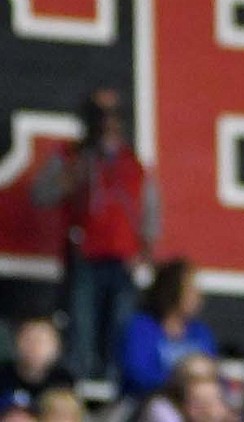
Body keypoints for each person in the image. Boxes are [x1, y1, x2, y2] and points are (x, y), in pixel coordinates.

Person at [32, 88, 160, 380]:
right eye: (100, 116)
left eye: (114, 116)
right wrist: (70, 178)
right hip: (85, 253)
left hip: (124, 257)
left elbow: (150, 208)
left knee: (120, 324)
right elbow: (40, 194)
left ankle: (114, 382)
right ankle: (81, 380)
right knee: (82, 322)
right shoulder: (71, 156)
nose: (108, 123)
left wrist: (147, 251)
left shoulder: (133, 163)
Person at [118, 259, 217, 397]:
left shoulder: (200, 333)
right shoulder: (141, 328)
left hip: (194, 406)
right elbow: (138, 375)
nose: (199, 297)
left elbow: (212, 373)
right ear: (173, 291)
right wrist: (180, 385)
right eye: (191, 290)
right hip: (147, 402)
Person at [0, 317, 73, 404]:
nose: (35, 347)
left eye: (42, 341)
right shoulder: (3, 375)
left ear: (57, 347)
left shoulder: (63, 381)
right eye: (28, 340)